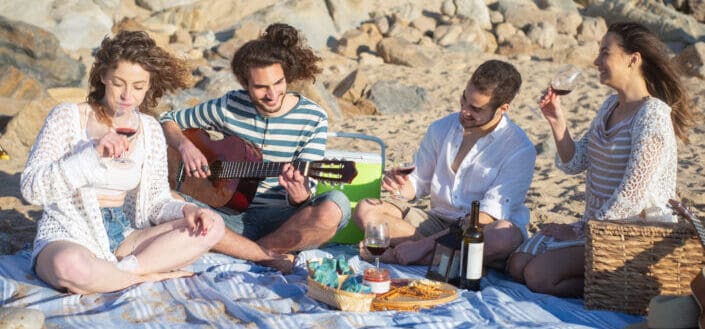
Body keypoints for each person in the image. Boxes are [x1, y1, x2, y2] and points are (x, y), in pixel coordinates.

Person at [20, 30, 226, 294]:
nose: (128, 95)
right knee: (68, 266)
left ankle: (120, 273)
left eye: (138, 87)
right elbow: (31, 188)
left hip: (124, 235)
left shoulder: (150, 129)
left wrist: (184, 210)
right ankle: (146, 277)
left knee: (211, 225)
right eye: (119, 83)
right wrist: (92, 154)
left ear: (149, 85)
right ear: (103, 75)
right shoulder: (67, 117)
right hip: (69, 230)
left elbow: (155, 202)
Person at [507, 22, 695, 297]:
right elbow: (576, 162)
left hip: (630, 233)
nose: (596, 61)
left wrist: (581, 231)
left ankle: (621, 289)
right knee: (517, 264)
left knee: (537, 275)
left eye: (605, 52)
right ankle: (603, 281)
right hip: (598, 227)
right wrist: (558, 122)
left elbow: (633, 195)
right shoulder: (609, 106)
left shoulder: (652, 115)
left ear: (633, 59)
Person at [160, 23, 351, 273]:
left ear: (287, 76)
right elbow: (167, 119)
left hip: (282, 220)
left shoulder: (313, 117)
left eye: (278, 83)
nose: (272, 94)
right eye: (261, 87)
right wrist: (185, 145)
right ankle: (263, 255)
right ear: (245, 84)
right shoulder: (229, 104)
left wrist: (299, 195)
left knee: (335, 206)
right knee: (167, 198)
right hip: (224, 215)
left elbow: (307, 196)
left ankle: (249, 250)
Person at [354, 60, 536, 268]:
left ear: (502, 109)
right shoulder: (442, 127)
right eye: (463, 100)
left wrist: (423, 245)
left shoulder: (519, 149)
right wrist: (400, 186)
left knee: (504, 237)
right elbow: (418, 182)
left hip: (481, 230)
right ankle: (450, 261)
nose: (464, 111)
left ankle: (414, 255)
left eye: (475, 109)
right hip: (436, 222)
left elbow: (485, 217)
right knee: (366, 210)